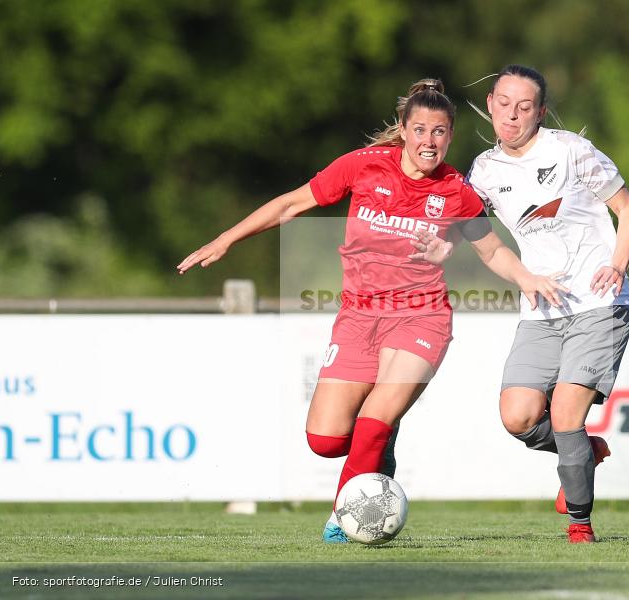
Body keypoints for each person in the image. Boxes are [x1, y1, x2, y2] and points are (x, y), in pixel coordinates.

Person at [177, 78, 564, 543]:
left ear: (450, 136)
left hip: (421, 317)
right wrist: (225, 240)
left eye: (439, 132)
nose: (429, 141)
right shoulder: (363, 166)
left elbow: (492, 250)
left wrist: (527, 278)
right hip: (358, 318)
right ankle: (380, 450)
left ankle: (342, 521)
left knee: (373, 420)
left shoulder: (455, 190)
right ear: (403, 129)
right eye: (419, 130)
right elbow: (291, 204)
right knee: (325, 440)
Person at [462, 64, 629, 543]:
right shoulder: (483, 171)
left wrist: (618, 264)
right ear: (490, 105)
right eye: (503, 104)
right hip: (541, 309)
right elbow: (467, 228)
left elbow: (628, 209)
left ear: (540, 112)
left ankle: (580, 524)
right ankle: (583, 451)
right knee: (518, 416)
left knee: (564, 413)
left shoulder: (570, 150)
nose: (511, 115)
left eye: (524, 107)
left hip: (598, 304)